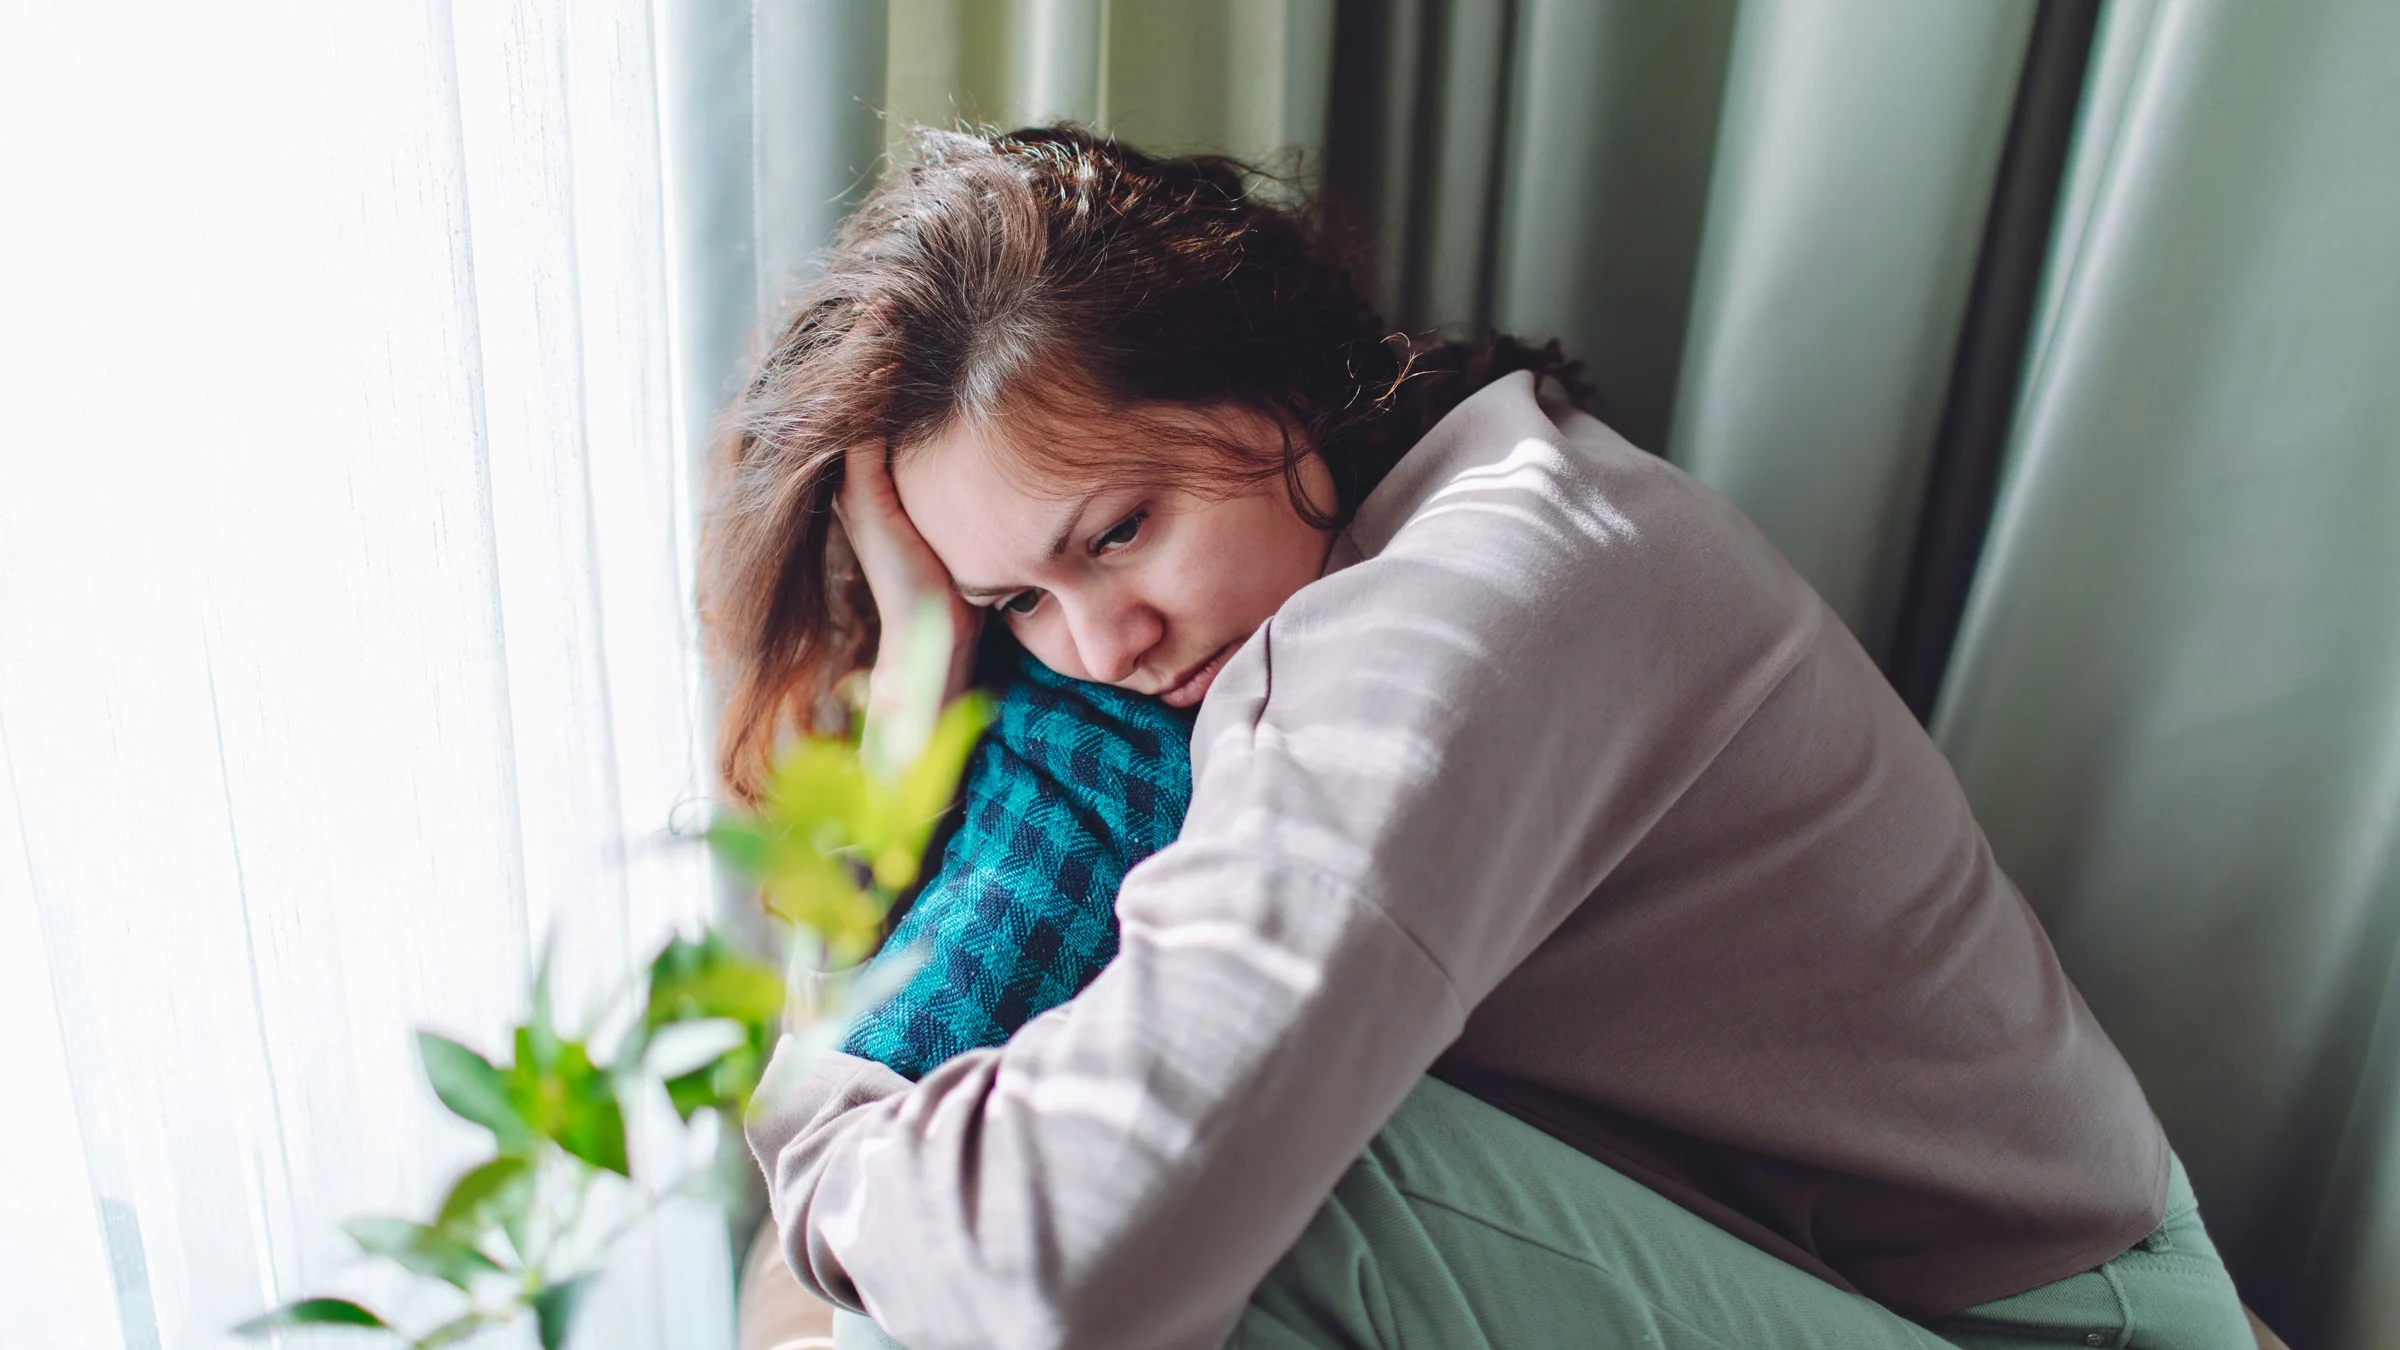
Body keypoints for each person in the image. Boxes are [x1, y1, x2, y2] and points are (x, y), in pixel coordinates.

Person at [702, 126, 2255, 1350]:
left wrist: (824, 1124)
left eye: (1119, 529)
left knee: (1208, 1201)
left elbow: (1071, 1265)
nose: (1105, 648)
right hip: (1766, 1249)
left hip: (2038, 1323)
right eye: (1016, 601)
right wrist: (919, 674)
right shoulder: (1370, 559)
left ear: (1265, 378)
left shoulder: (1475, 603)